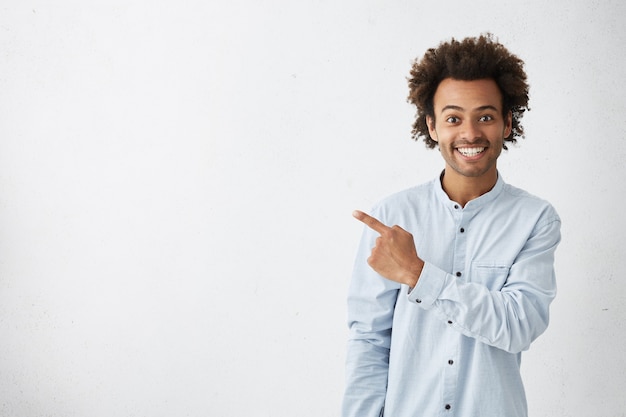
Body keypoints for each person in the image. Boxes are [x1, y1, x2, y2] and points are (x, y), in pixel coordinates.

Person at [342, 34, 561, 417]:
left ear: (507, 123)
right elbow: (369, 341)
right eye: (454, 118)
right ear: (432, 126)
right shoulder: (393, 216)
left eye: (486, 116)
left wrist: (417, 273)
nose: (471, 133)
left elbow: (518, 326)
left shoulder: (535, 220)